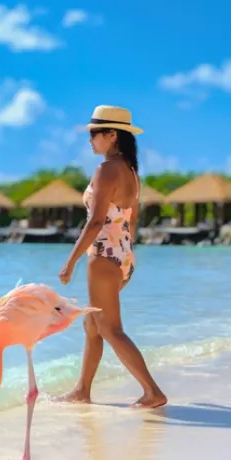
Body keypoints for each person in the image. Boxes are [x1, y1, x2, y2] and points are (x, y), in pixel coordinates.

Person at [58, 105, 167, 409]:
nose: (90, 139)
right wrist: (129, 258)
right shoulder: (131, 171)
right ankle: (82, 390)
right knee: (92, 324)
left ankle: (152, 392)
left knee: (110, 328)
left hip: (104, 252)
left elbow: (95, 222)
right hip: (120, 252)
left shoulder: (107, 169)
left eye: (94, 134)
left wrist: (70, 261)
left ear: (112, 134)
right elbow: (131, 219)